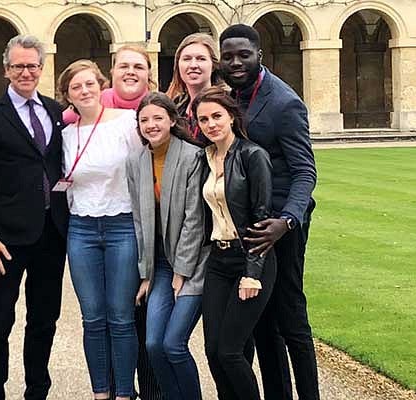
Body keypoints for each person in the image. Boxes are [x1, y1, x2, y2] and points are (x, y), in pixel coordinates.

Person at [218, 24, 320, 400]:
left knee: (291, 316)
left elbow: (305, 171)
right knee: (260, 320)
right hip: (249, 224)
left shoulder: (283, 102)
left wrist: (287, 221)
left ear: (260, 55)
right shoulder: (232, 96)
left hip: (280, 224)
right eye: (228, 56)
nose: (236, 62)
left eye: (243, 54)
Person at [0, 34, 69, 400]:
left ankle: (36, 391)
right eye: (17, 66)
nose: (25, 72)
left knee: (44, 320)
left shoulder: (57, 113)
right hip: (6, 239)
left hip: (51, 233)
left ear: (42, 68)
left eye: (31, 65)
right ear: (6, 69)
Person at [55, 59, 143, 400]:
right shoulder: (65, 135)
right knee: (92, 318)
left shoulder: (126, 123)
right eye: (76, 87)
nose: (85, 91)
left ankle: (124, 393)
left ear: (101, 85)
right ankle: (100, 392)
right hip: (82, 230)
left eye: (90, 84)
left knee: (121, 317)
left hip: (122, 225)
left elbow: (143, 170)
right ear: (68, 96)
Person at [194, 86, 277, 400]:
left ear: (231, 116)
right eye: (203, 119)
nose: (211, 124)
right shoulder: (205, 157)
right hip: (218, 261)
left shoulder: (253, 155)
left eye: (217, 116)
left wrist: (252, 273)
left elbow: (261, 217)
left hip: (250, 260)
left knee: (230, 352)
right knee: (213, 352)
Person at [128, 93, 208, 400]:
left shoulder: (192, 157)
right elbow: (139, 221)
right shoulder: (136, 162)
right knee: (152, 345)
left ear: (172, 120)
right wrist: (146, 273)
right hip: (161, 265)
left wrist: (182, 271)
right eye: (144, 120)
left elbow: (194, 219)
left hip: (193, 264)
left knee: (173, 344)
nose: (151, 125)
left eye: (158, 118)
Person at [62, 44, 155, 124]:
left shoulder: (159, 106)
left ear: (149, 73)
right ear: (112, 71)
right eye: (123, 66)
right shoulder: (94, 100)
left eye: (139, 67)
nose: (131, 72)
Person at [166, 33, 224, 147]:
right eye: (186, 59)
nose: (193, 65)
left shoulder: (226, 103)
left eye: (201, 59)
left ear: (213, 65)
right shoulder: (175, 106)